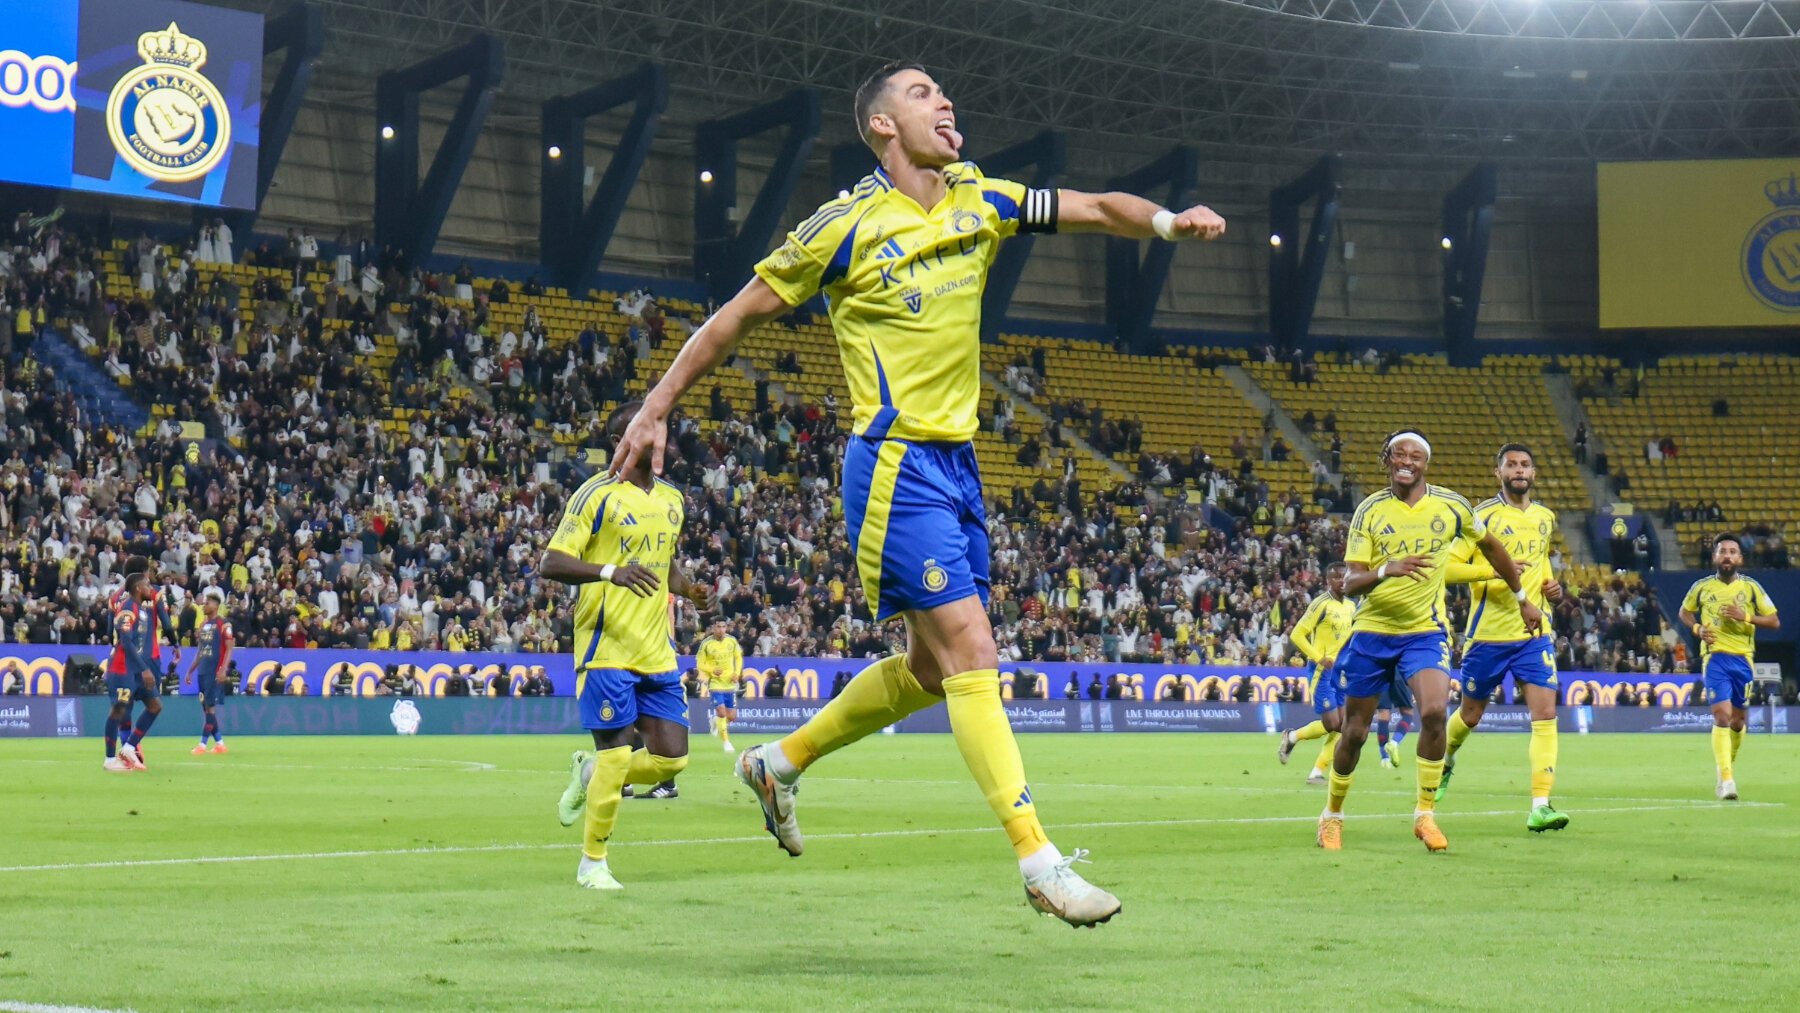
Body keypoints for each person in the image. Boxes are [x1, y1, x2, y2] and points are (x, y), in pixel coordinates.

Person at [613, 62, 1224, 927]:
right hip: (895, 464)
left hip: (960, 466)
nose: (944, 102)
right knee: (974, 651)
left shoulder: (982, 198)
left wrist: (1165, 222)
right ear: (881, 127)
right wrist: (655, 406)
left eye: (944, 93)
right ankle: (1038, 859)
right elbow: (737, 316)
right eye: (922, 92)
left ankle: (777, 763)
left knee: (935, 671)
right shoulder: (845, 226)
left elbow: (1092, 206)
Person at [1315, 430, 1540, 853]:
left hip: (1425, 630)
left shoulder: (1452, 505)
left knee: (1435, 711)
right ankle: (1331, 816)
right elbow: (1349, 581)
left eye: (1415, 455)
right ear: (1387, 460)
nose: (1407, 460)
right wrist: (1387, 570)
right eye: (1399, 454)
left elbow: (1492, 548)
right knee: (1356, 732)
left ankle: (1425, 815)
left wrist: (1523, 597)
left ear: (1425, 464)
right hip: (1373, 632)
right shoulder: (1369, 511)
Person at [543, 402, 714, 890]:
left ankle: (590, 772)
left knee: (670, 760)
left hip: (655, 649)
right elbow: (550, 562)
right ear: (630, 438)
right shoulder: (595, 494)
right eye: (657, 431)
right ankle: (592, 862)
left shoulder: (672, 499)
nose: (667, 439)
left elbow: (664, 563)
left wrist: (687, 588)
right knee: (620, 755)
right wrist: (609, 572)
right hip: (606, 646)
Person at [1440, 444, 1568, 832]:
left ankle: (1541, 805)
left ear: (1534, 473)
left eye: (1525, 464)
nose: (1519, 470)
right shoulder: (1481, 517)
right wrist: (1495, 573)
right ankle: (1446, 757)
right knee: (1470, 715)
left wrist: (1551, 586)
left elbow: (1542, 557)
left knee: (1545, 714)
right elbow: (1446, 568)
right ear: (1497, 473)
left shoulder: (1545, 517)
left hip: (1534, 633)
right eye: (1511, 465)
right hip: (1488, 635)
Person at [1678, 535, 1779, 801]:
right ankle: (1726, 780)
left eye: (1733, 552)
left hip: (1743, 659)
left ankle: (1726, 766)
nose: (1727, 556)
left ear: (1740, 559)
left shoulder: (1751, 588)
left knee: (1737, 722)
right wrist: (1698, 628)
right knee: (1721, 716)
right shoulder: (1701, 587)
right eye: (1722, 551)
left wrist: (1744, 616)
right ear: (1714, 557)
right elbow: (1684, 613)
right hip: (1715, 658)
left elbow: (1774, 621)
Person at [1276, 562, 1354, 786]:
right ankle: (1291, 737)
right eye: (1337, 577)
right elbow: (1298, 634)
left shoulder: (1351, 606)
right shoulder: (1321, 604)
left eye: (1345, 576)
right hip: (1322, 670)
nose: (1342, 581)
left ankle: (1317, 772)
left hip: (1341, 671)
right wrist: (1318, 657)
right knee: (1332, 723)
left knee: (1343, 724)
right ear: (1329, 581)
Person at [104, 574, 163, 772]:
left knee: (155, 705)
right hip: (122, 667)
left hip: (136, 668)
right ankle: (109, 759)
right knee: (119, 709)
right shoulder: (128, 607)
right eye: (147, 584)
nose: (150, 588)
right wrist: (145, 668)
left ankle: (129, 747)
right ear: (138, 588)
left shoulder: (143, 610)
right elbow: (126, 640)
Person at [188, 589, 233, 755]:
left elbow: (229, 648)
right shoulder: (203, 625)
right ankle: (220, 743)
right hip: (203, 671)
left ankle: (202, 744)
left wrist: (223, 669)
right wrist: (190, 670)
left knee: (210, 708)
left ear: (215, 605)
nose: (203, 606)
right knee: (206, 708)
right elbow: (200, 651)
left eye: (207, 603)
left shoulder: (224, 625)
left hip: (215, 671)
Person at [697, 620, 744, 753]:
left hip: (730, 682)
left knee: (732, 717)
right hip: (715, 683)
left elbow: (738, 658)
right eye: (718, 627)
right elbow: (700, 664)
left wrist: (737, 673)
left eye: (724, 627)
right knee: (722, 713)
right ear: (713, 628)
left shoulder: (732, 641)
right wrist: (712, 669)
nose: (721, 630)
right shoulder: (706, 643)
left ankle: (715, 721)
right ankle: (726, 742)